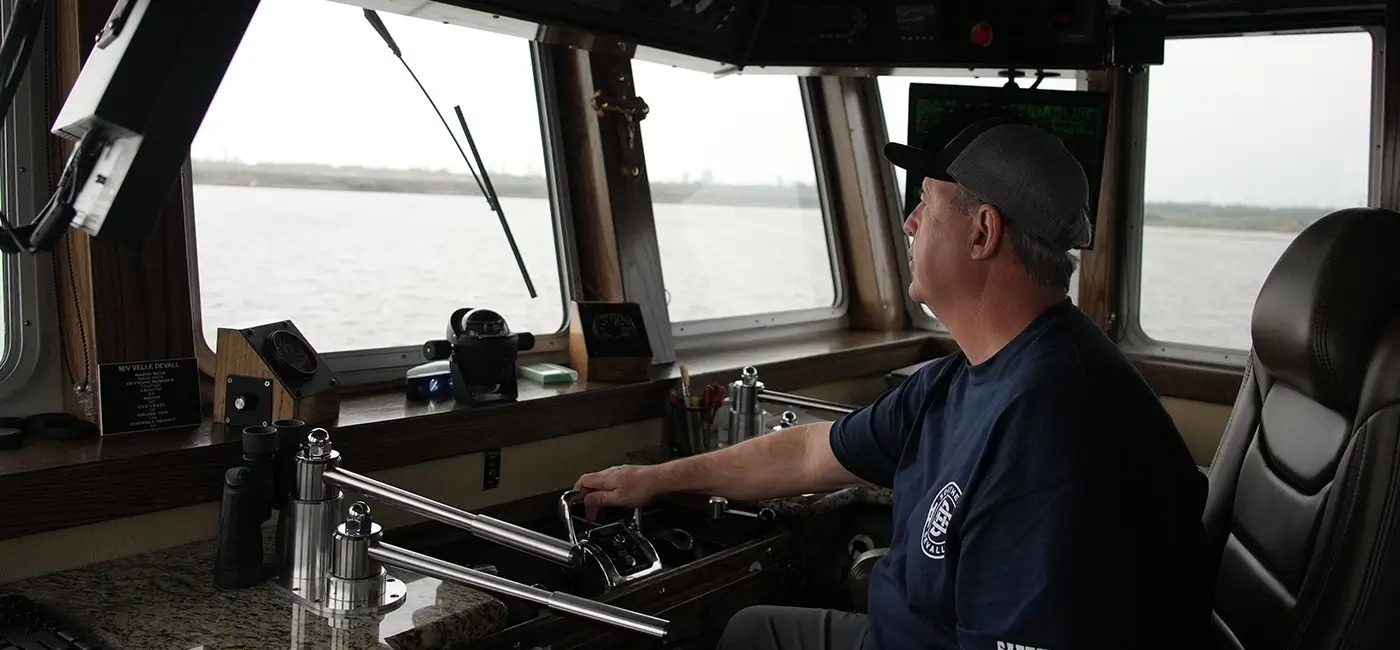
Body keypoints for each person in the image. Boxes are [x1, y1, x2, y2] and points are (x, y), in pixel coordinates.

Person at [572, 119, 1209, 650]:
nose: (907, 223)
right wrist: (655, 479)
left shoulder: (1055, 428)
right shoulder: (964, 374)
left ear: (982, 232)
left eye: (925, 205)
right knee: (751, 632)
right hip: (904, 632)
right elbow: (809, 450)